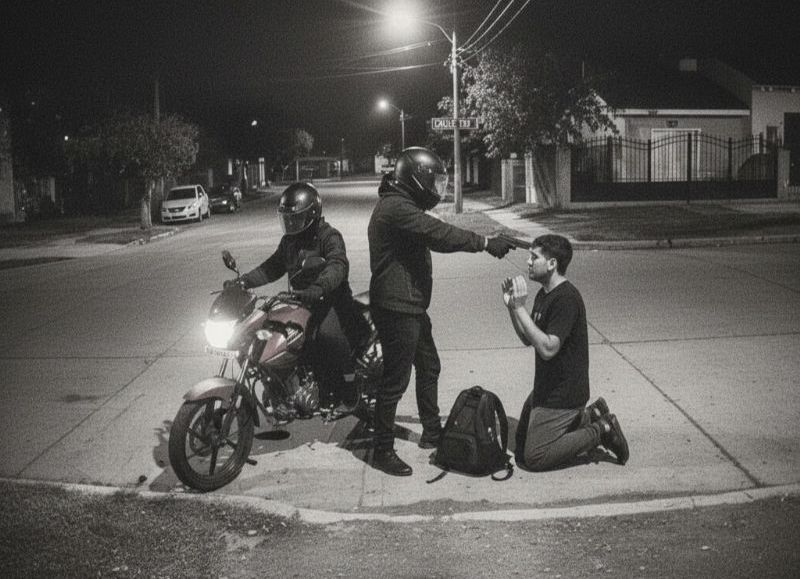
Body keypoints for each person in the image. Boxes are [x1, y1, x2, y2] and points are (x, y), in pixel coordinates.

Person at [368, 146, 517, 476]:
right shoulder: (395, 208)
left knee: (429, 366)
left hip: (409, 303)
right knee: (395, 381)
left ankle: (432, 432)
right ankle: (382, 450)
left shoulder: (400, 203)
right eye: (433, 182)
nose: (436, 189)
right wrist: (484, 243)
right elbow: (438, 233)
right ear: (416, 180)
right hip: (397, 306)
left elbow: (433, 234)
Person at [501, 234, 629, 471]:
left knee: (534, 457)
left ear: (552, 263)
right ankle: (590, 415)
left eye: (534, 257)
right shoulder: (544, 294)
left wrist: (520, 308)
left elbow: (548, 349)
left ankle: (601, 429)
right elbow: (528, 339)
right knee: (520, 444)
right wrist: (512, 308)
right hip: (546, 388)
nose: (528, 262)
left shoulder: (566, 299)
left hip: (565, 393)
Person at [237, 181, 369, 411]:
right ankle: (285, 386)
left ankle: (349, 388)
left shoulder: (329, 236)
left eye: (295, 218)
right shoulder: (289, 241)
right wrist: (244, 282)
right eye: (287, 219)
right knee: (275, 334)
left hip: (331, 301)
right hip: (301, 302)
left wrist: (319, 287)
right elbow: (272, 267)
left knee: (328, 336)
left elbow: (338, 265)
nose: (290, 224)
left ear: (312, 215)